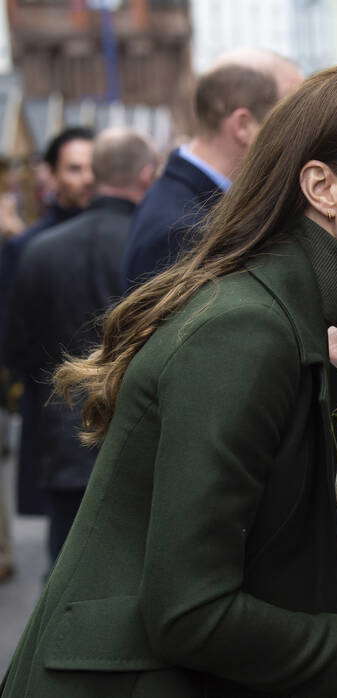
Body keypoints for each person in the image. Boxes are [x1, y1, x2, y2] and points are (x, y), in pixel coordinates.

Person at [1, 64, 337, 698]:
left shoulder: (277, 319)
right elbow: (189, 613)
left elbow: (256, 568)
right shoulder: (246, 332)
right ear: (322, 187)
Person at [2, 128, 159, 567]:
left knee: (66, 574)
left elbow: (15, 348)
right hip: (138, 435)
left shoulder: (39, 251)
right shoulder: (157, 244)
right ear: (146, 176)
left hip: (63, 436)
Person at [121, 49, 303, 289]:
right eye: (292, 116)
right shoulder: (181, 229)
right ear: (243, 126)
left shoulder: (192, 205)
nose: (302, 132)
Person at [0, 126, 94, 518]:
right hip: (55, 412)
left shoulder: (127, 233)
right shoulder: (25, 248)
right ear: (51, 176)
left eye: (92, 167)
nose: (87, 178)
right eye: (74, 168)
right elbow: (12, 340)